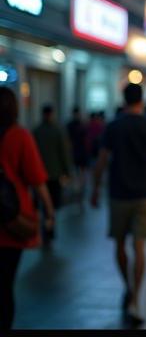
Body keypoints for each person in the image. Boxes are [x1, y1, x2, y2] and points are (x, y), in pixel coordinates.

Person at [91, 83, 146, 326]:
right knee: (140, 246)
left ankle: (127, 286)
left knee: (120, 244)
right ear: (142, 100)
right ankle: (136, 299)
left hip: (119, 193)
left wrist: (96, 188)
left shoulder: (114, 126)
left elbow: (102, 160)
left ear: (124, 99)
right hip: (145, 193)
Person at [0, 87, 54, 330]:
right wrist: (49, 212)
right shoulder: (20, 136)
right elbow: (37, 180)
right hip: (12, 219)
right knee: (5, 285)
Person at [32, 104, 72, 244]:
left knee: (43, 204)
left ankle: (46, 228)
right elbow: (64, 153)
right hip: (54, 174)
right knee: (53, 204)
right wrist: (67, 171)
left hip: (39, 175)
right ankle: (50, 228)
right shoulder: (58, 131)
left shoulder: (36, 131)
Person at [66, 106, 89, 206]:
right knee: (80, 172)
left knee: (77, 171)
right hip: (81, 152)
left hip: (76, 152)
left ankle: (78, 188)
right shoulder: (82, 125)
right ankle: (80, 188)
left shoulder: (70, 125)